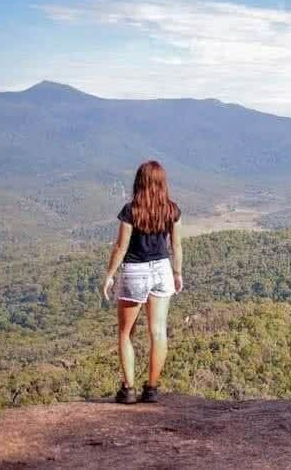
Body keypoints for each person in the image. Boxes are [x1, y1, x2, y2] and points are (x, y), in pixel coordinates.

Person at [101, 160, 184, 404]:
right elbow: (176, 246)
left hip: (135, 271)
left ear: (139, 182)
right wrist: (177, 273)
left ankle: (128, 390)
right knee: (158, 332)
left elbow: (120, 247)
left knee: (126, 333)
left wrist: (109, 275)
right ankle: (152, 388)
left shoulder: (131, 210)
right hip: (162, 269)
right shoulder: (172, 210)